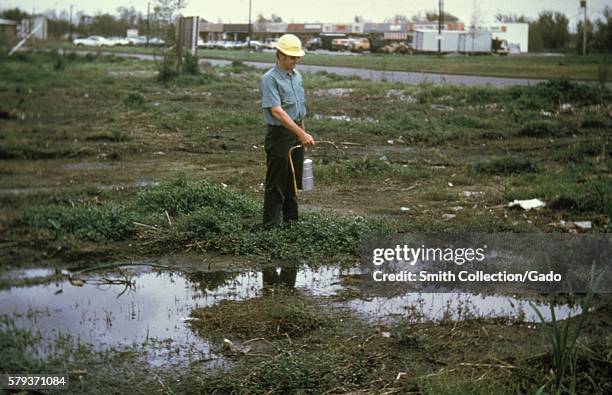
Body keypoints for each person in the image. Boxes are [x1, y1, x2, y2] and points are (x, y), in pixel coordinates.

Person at [260, 34, 315, 228]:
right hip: (279, 136)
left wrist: (303, 132)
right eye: (292, 57)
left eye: (297, 57)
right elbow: (278, 112)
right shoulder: (270, 79)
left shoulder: (297, 76)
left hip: (296, 132)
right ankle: (270, 227)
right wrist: (301, 133)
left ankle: (292, 223)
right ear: (281, 55)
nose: (295, 61)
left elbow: (299, 109)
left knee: (293, 179)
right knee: (276, 183)